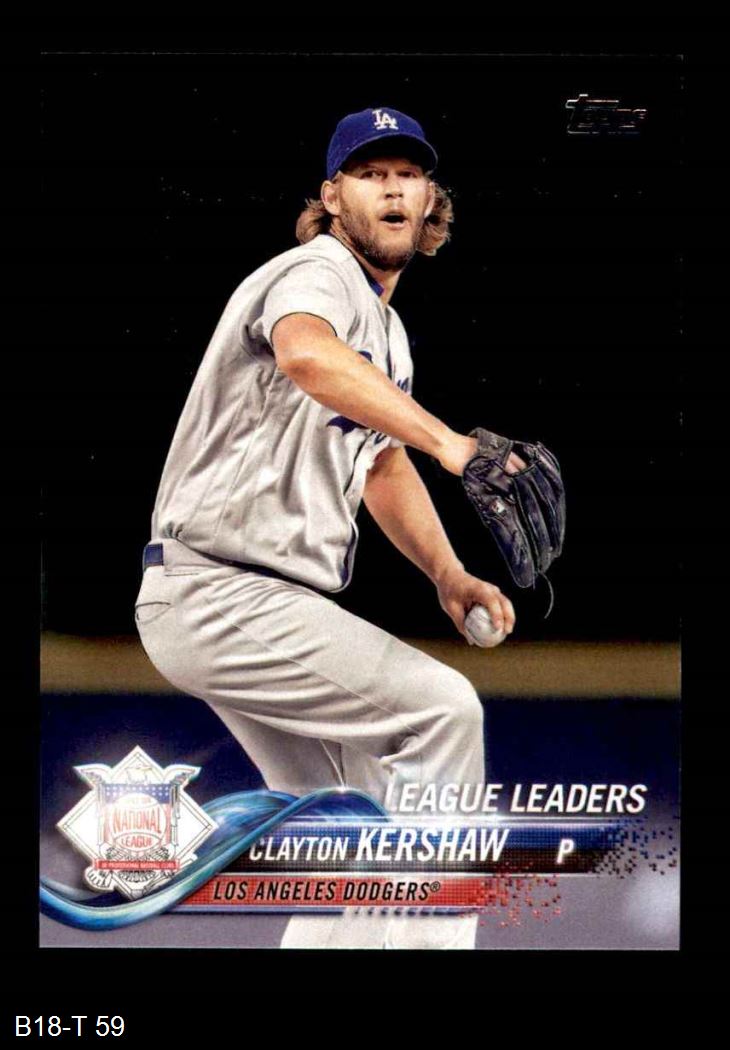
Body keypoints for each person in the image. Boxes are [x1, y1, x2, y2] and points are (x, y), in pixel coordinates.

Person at [134, 106, 523, 949]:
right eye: (369, 174)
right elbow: (306, 354)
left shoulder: (388, 334)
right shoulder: (317, 272)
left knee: (352, 827)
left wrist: (447, 574)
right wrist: (452, 443)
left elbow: (381, 464)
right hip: (221, 587)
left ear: (430, 202)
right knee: (441, 712)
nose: (392, 188)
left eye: (408, 174)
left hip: (249, 599)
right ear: (332, 197)